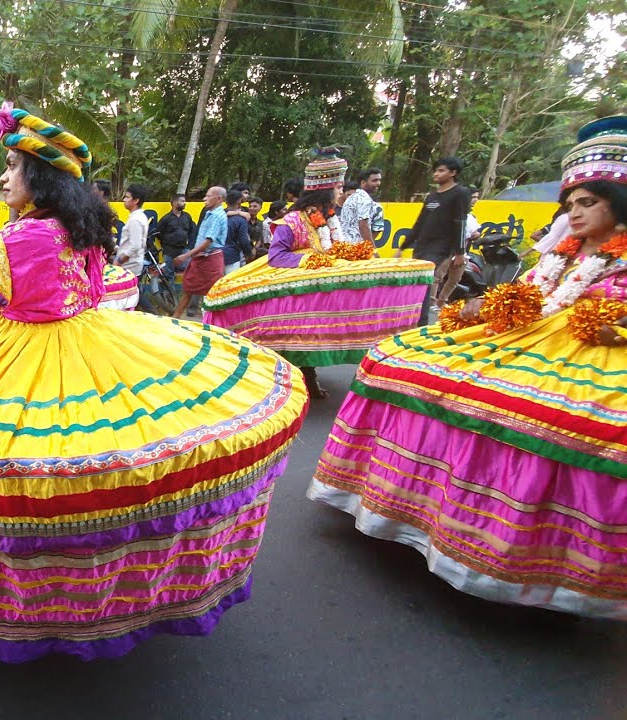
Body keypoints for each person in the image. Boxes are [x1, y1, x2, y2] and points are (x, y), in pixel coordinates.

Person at [0, 102, 309, 662]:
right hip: (94, 339)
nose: (4, 176)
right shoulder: (75, 227)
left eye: (12, 165)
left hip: (27, 352)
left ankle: (24, 603)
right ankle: (100, 596)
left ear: (39, 176)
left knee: (0, 460)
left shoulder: (18, 240)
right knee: (109, 448)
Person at [307, 116, 627, 620]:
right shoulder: (561, 253)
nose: (576, 214)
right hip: (521, 335)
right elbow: (530, 297)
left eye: (588, 203)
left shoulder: (618, 257)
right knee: (392, 360)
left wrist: (616, 329)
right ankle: (404, 510)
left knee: (558, 419)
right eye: (570, 205)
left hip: (592, 355)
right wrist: (488, 308)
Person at [202, 149, 435, 399]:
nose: (341, 194)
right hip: (288, 287)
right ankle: (288, 377)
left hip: (314, 287)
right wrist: (312, 260)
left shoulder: (329, 218)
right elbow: (277, 256)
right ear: (325, 191)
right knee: (289, 334)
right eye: (338, 189)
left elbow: (335, 248)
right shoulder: (293, 220)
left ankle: (314, 372)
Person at [399, 157, 473, 322]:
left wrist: (460, 252)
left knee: (426, 283)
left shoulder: (460, 194)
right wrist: (403, 247)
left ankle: (421, 322)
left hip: (440, 247)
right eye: (436, 170)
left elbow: (460, 223)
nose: (436, 174)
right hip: (422, 247)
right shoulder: (432, 196)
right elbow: (419, 223)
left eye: (441, 170)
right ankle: (410, 319)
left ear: (453, 173)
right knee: (416, 283)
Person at [171, 185, 227, 318]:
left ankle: (217, 321)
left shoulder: (217, 216)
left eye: (208, 196)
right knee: (188, 289)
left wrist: (186, 255)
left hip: (210, 259)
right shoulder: (209, 213)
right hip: (201, 258)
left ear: (218, 199)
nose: (204, 198)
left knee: (214, 292)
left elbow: (208, 241)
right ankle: (175, 317)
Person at [156, 193, 195, 285]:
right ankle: (170, 297)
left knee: (189, 272)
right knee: (169, 275)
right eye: (182, 201)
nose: (184, 203)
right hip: (169, 251)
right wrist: (166, 242)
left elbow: (191, 231)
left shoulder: (187, 217)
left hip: (184, 249)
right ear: (174, 202)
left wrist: (189, 246)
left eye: (184, 201)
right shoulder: (166, 218)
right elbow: (158, 233)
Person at [339, 168, 383, 244]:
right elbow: (363, 226)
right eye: (374, 180)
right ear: (363, 182)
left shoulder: (351, 198)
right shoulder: (363, 199)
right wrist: (371, 249)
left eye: (379, 180)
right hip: (356, 250)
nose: (378, 183)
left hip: (343, 247)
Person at [116, 183, 149, 278]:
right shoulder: (138, 217)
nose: (124, 200)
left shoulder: (135, 220)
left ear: (136, 200)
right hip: (131, 264)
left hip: (129, 266)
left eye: (127, 197)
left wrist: (119, 260)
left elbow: (135, 246)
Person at [222, 189, 253, 274]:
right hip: (232, 255)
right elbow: (243, 240)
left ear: (226, 201)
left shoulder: (217, 216)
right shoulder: (240, 219)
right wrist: (249, 253)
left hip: (214, 254)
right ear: (239, 202)